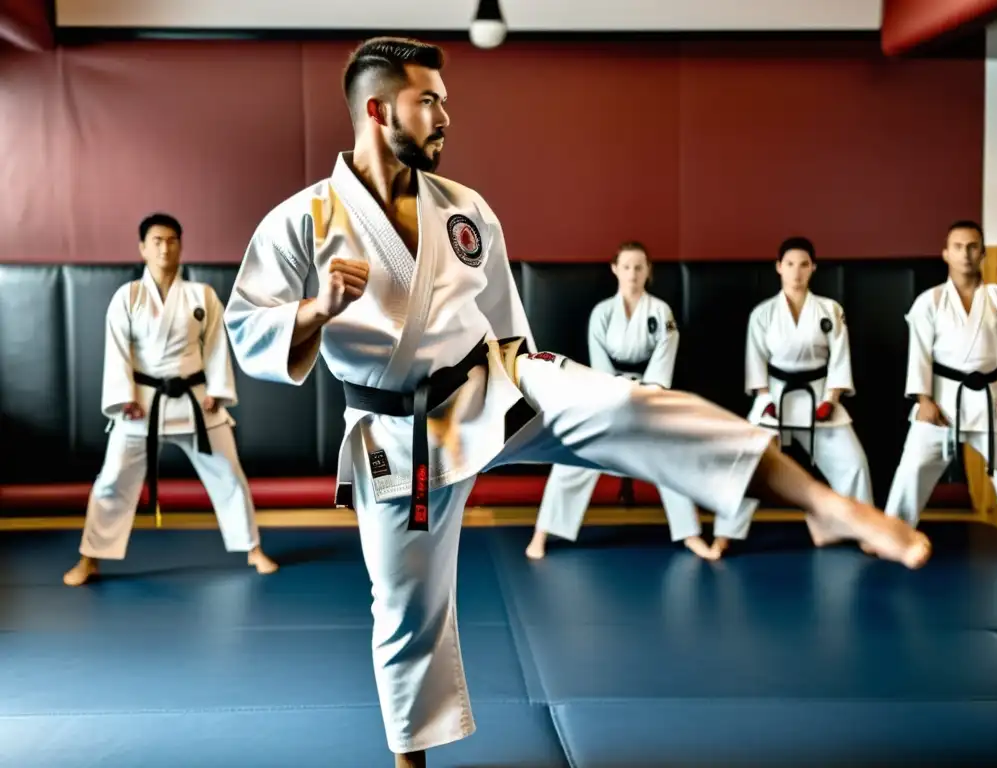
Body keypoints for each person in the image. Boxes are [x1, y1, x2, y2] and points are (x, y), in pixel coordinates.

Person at [222, 37, 931, 768]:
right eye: (428, 100)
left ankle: (826, 504)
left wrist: (545, 382)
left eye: (445, 98)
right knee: (406, 614)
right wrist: (317, 308)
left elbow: (506, 321)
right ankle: (411, 763)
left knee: (632, 405)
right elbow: (247, 330)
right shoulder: (302, 220)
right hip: (397, 432)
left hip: (495, 383)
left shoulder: (465, 209)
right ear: (377, 110)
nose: (446, 116)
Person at [62, 213, 278, 587]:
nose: (165, 247)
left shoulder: (202, 296)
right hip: (142, 403)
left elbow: (215, 346)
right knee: (112, 479)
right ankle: (90, 558)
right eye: (157, 240)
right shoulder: (127, 297)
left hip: (196, 401)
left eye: (172, 240)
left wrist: (217, 390)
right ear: (143, 248)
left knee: (229, 474)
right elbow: (117, 352)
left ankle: (252, 548)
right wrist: (122, 398)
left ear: (181, 245)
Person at [526, 241, 729, 561]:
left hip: (650, 397)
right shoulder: (602, 313)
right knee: (572, 454)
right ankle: (542, 532)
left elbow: (664, 362)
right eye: (627, 266)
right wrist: (618, 396)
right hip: (606, 396)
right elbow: (599, 369)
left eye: (639, 267)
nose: (633, 273)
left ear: (648, 271)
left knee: (672, 457)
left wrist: (645, 396)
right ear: (615, 269)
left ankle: (690, 535)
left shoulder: (661, 312)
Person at [883, 220, 997, 544]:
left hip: (991, 403)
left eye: (973, 246)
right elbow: (918, 353)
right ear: (946, 253)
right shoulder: (929, 302)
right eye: (958, 246)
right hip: (943, 403)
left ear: (983, 252)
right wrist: (923, 399)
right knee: (912, 471)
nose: (966, 253)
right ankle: (891, 534)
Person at [743, 236, 874, 553]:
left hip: (820, 397)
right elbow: (755, 361)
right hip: (775, 397)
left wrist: (832, 399)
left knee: (853, 463)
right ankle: (727, 532)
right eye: (789, 264)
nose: (796, 272)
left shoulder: (830, 310)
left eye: (803, 265)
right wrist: (764, 399)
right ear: (778, 267)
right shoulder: (763, 313)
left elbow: (840, 359)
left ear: (813, 268)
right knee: (745, 458)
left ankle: (866, 530)